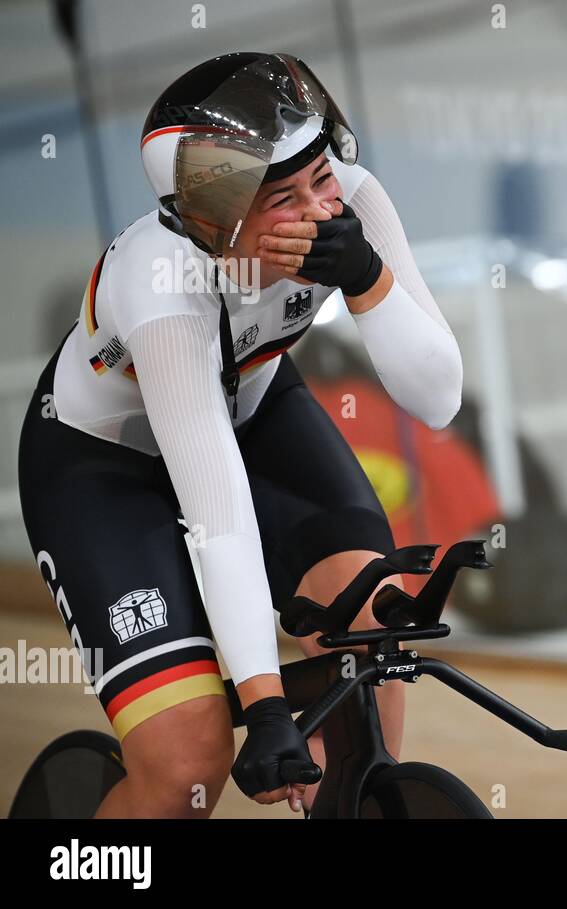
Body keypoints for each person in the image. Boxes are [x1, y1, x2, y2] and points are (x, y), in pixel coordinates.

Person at [16, 52, 463, 817]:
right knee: (189, 760)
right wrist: (264, 708)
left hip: (249, 406)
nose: (323, 212)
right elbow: (220, 517)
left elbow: (438, 398)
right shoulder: (164, 286)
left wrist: (367, 276)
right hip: (103, 464)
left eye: (322, 178)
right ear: (216, 220)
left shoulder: (353, 201)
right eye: (284, 198)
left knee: (372, 642)